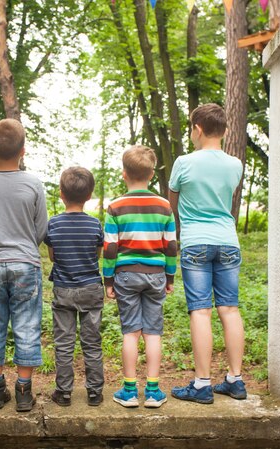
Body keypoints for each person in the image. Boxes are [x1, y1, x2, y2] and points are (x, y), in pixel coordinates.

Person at [168, 103, 246, 404]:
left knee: (200, 310)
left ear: (197, 129)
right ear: (225, 130)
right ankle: (235, 380)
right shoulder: (235, 164)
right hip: (228, 241)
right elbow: (224, 198)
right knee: (230, 309)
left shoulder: (183, 163)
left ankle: (202, 384)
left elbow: (172, 205)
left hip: (196, 242)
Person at [0, 118, 48, 412]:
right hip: (26, 264)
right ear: (23, 151)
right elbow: (41, 227)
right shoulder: (33, 184)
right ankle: (24, 392)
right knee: (27, 324)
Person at [103, 145, 177, 408]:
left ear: (124, 174)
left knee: (131, 333)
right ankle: (154, 392)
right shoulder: (164, 206)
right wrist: (170, 277)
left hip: (126, 276)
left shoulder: (115, 207)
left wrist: (108, 280)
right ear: (152, 175)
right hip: (156, 275)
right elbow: (170, 246)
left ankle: (129, 390)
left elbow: (110, 248)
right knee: (153, 333)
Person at [45, 167, 105, 407]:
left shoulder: (54, 224)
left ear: (61, 194)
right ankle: (94, 393)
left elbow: (52, 256)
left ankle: (64, 392)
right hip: (91, 288)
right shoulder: (94, 225)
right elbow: (97, 254)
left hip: (63, 290)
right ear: (89, 195)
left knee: (64, 343)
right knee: (92, 342)